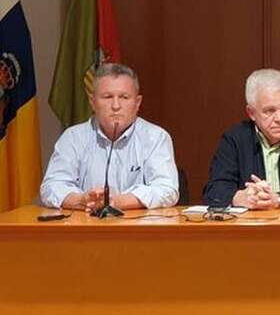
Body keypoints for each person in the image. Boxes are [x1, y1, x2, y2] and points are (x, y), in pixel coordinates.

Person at [40, 63, 179, 211]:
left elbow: (167, 189)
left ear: (137, 103)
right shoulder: (73, 138)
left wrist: (119, 202)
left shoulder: (155, 138)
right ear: (93, 102)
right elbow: (51, 186)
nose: (115, 105)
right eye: (107, 97)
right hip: (86, 229)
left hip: (137, 230)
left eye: (124, 97)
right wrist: (83, 200)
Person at [203, 69, 280, 209]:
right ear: (251, 113)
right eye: (270, 111)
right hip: (247, 227)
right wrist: (239, 197)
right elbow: (214, 190)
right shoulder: (234, 140)